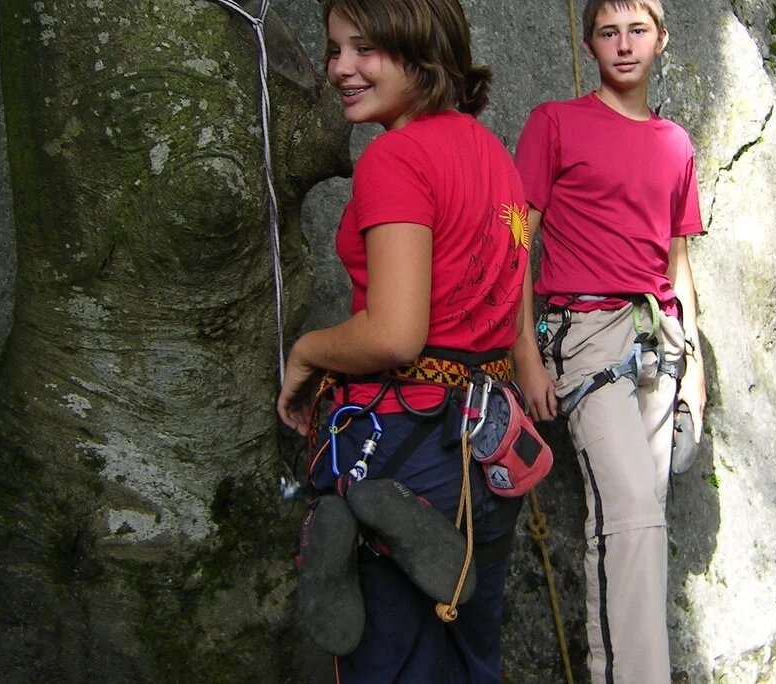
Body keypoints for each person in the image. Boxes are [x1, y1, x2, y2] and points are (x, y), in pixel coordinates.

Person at [276, 0, 531, 681]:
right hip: (489, 442)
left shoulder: (395, 158)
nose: (340, 69)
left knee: (392, 662)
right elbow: (508, 297)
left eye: (365, 50)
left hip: (405, 445)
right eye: (334, 50)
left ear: (421, 53)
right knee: (472, 650)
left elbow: (393, 335)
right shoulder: (493, 155)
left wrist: (307, 353)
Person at [512, 1, 707, 682]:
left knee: (640, 519)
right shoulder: (555, 124)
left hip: (662, 338)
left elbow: (678, 259)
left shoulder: (676, 144)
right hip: (584, 333)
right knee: (631, 515)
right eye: (607, 32)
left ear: (661, 41)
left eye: (637, 31)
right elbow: (517, 240)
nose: (623, 46)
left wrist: (699, 367)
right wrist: (523, 351)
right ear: (591, 43)